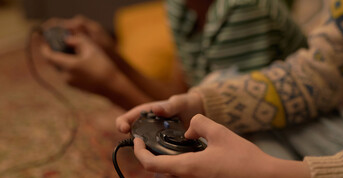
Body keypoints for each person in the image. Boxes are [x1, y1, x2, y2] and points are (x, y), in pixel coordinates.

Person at [116, 0, 343, 178]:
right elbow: (321, 76)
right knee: (227, 101)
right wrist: (202, 104)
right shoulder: (179, 9)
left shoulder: (243, 8)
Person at [40, 0, 305, 110]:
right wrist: (113, 55)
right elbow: (179, 96)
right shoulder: (181, 6)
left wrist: (109, 84)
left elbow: (219, 141)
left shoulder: (242, 9)